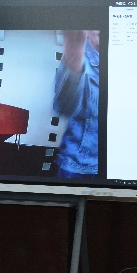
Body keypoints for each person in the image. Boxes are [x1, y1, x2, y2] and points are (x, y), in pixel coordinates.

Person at [53, 30, 100, 178]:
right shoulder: (78, 56)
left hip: (113, 166)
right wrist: (73, 61)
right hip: (76, 168)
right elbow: (63, 107)